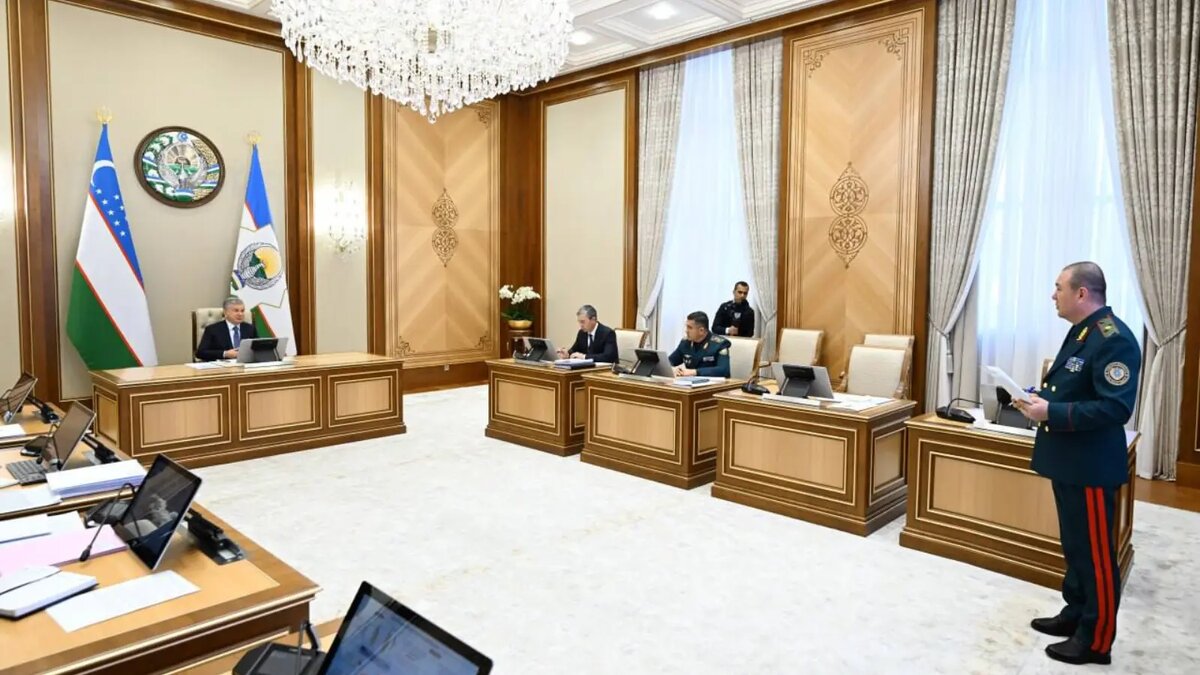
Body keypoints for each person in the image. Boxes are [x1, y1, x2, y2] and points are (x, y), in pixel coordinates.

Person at [1013, 261, 1140, 666]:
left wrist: (1051, 412)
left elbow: (1114, 408)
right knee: (1075, 545)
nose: (1053, 295)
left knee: (1096, 554)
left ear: (1081, 293)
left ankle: (1096, 640)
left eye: (1059, 287)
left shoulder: (1114, 339)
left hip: (1090, 465)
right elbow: (1072, 387)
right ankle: (1077, 612)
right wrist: (1040, 402)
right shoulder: (1083, 331)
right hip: (1070, 459)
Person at [668, 311, 730, 377]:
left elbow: (724, 370)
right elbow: (670, 361)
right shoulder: (685, 343)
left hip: (712, 382)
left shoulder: (719, 344)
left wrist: (695, 372)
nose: (686, 331)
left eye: (690, 328)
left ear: (701, 331)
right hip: (689, 382)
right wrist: (672, 369)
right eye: (687, 327)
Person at [195, 296, 257, 361]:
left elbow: (258, 349)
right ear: (225, 312)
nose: (240, 314)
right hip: (222, 364)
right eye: (236, 311)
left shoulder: (250, 328)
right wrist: (225, 354)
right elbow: (200, 353)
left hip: (247, 364)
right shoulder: (212, 329)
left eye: (242, 311)